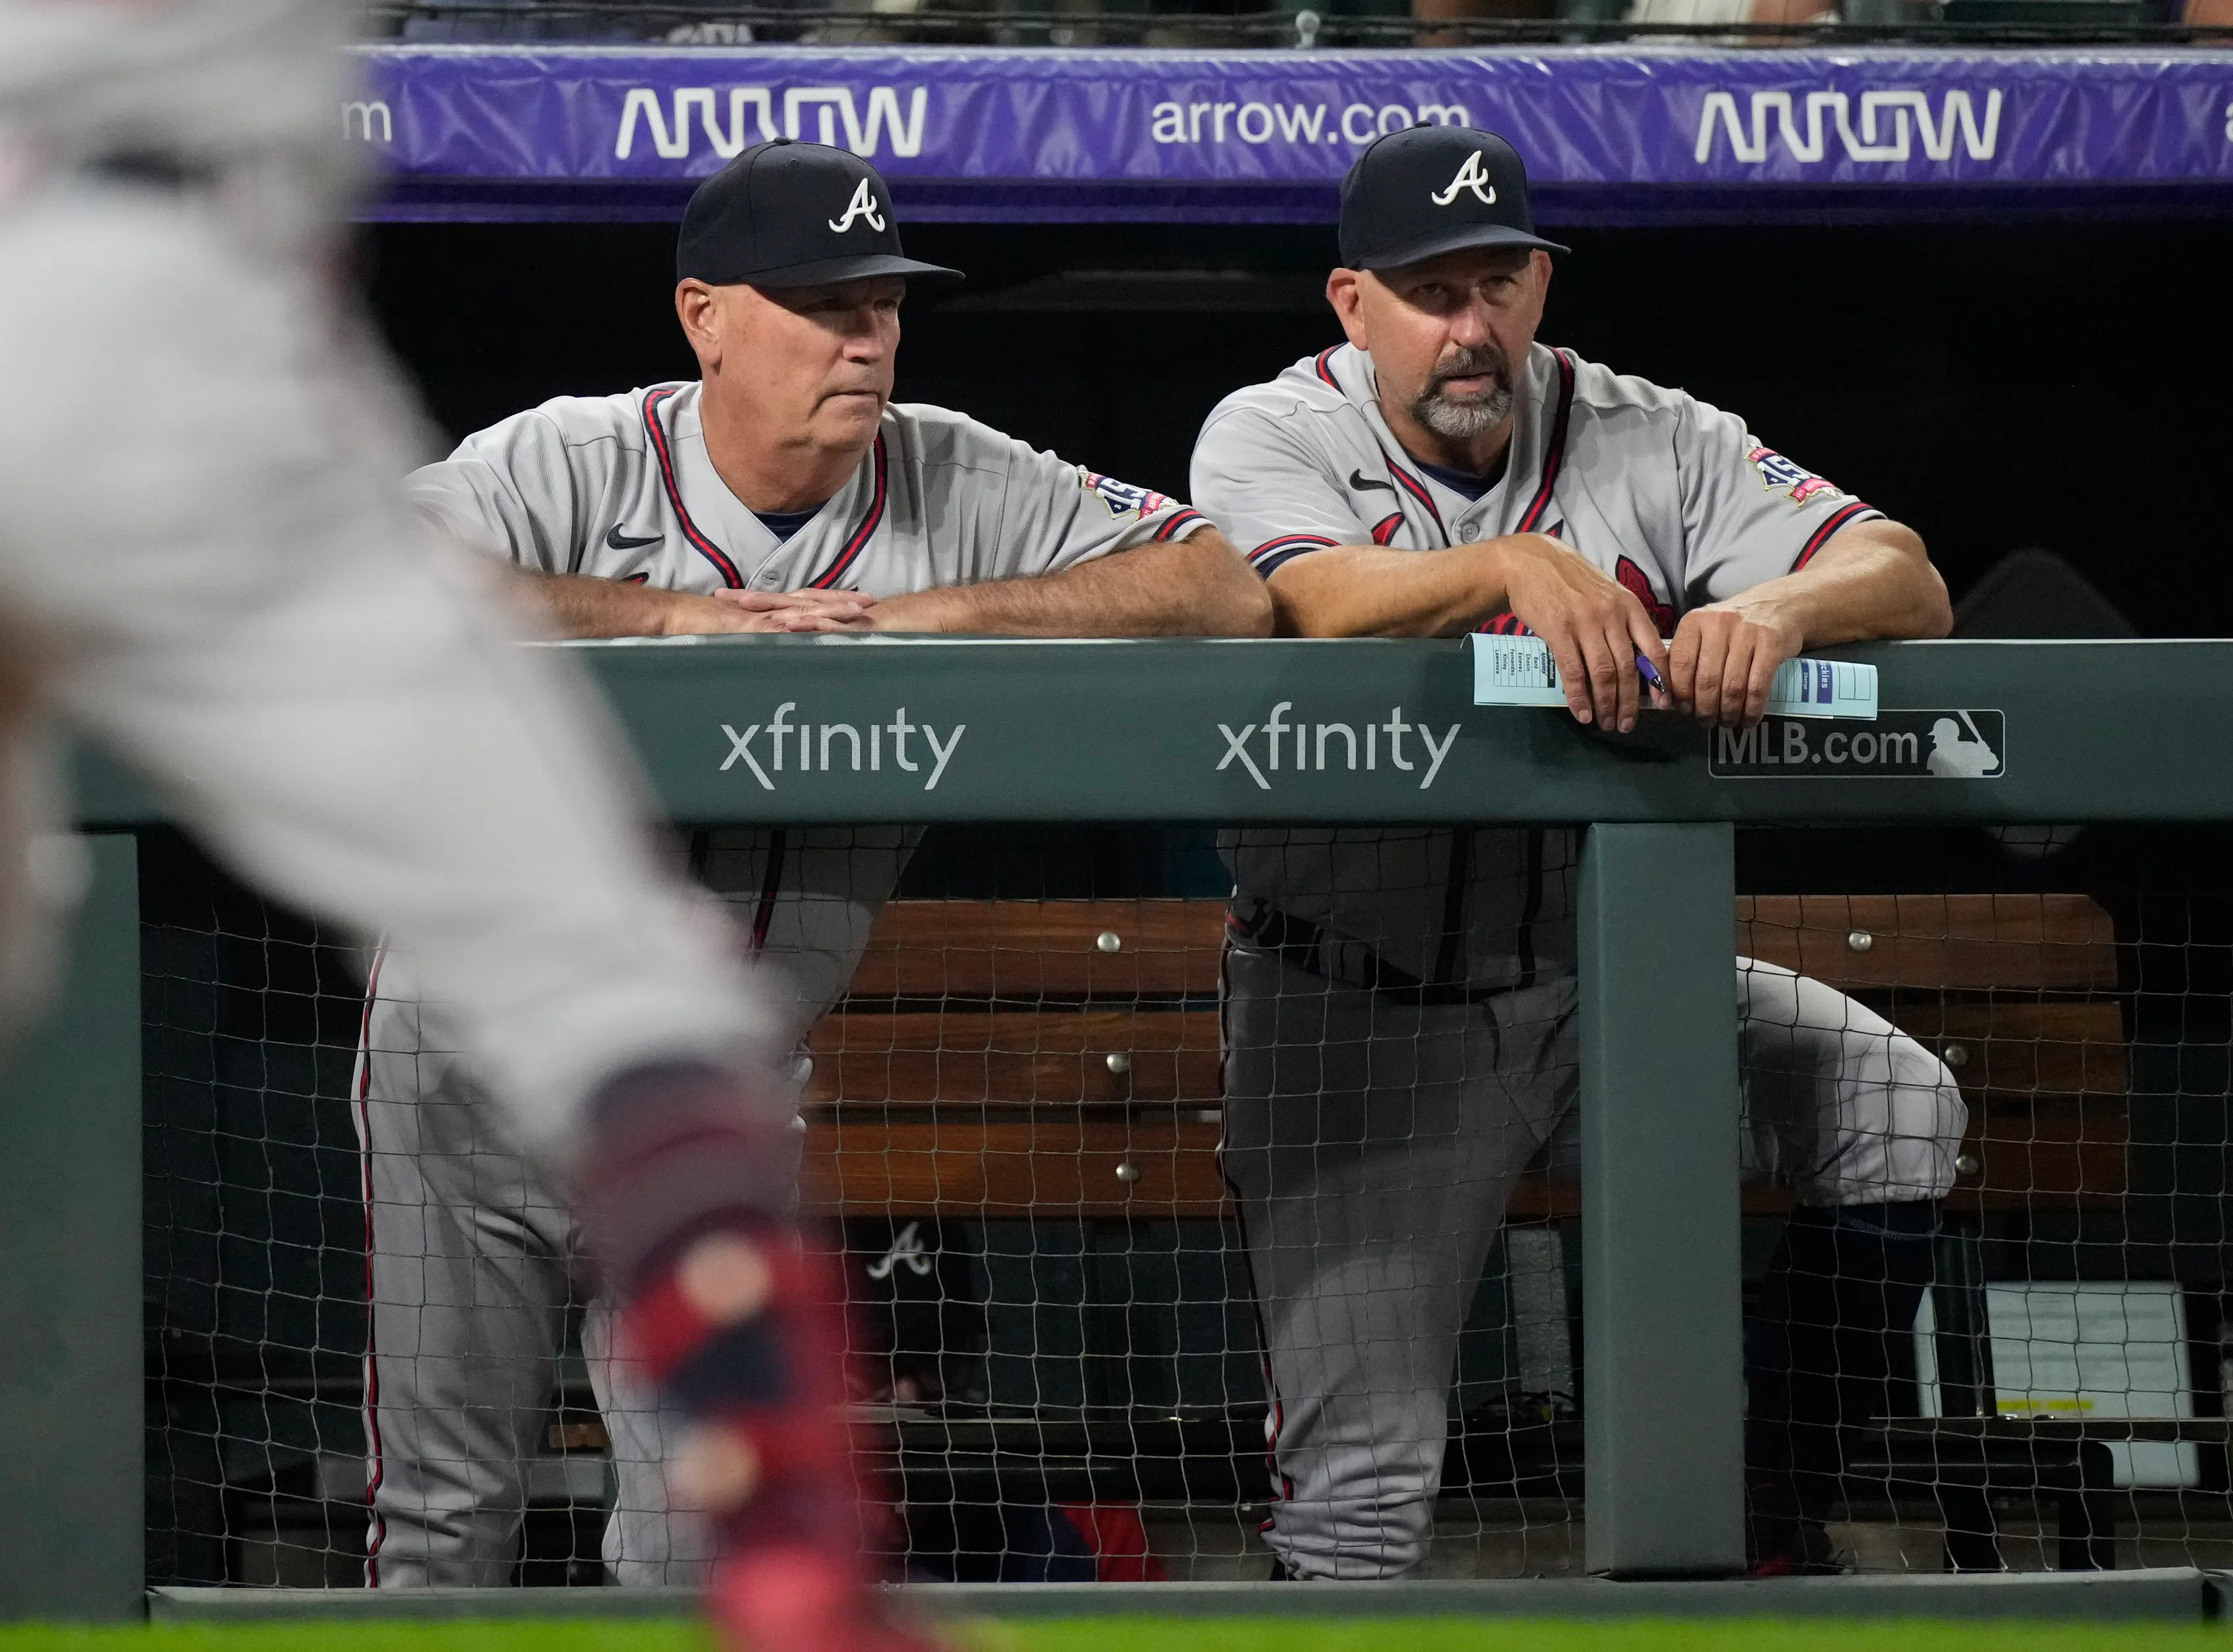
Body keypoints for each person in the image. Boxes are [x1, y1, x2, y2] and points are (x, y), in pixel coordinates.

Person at [0, 7, 934, 1647]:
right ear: (709, 320)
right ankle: (795, 1545)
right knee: (603, 967)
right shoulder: (554, 457)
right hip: (163, 311)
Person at [358, 136, 1268, 1587]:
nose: (865, 337)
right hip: (472, 1063)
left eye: (882, 304)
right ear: (705, 318)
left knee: (702, 1538)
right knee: (443, 1519)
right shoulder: (571, 460)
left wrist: (941, 618)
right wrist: (663, 623)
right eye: (820, 304)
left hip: (720, 1092)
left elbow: (1218, 588)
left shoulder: (952, 475)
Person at [1189, 124, 1963, 1578]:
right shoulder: (1273, 431)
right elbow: (1310, 603)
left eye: (1499, 284)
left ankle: (1767, 1515)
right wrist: (1507, 564)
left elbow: (1906, 575)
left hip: (1604, 980)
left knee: (1897, 1103)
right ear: (1355, 306)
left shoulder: (1649, 429)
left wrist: (1783, 613)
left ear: (1543, 281)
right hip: (1357, 1015)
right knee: (1359, 1506)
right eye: (1432, 294)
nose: (1470, 330)